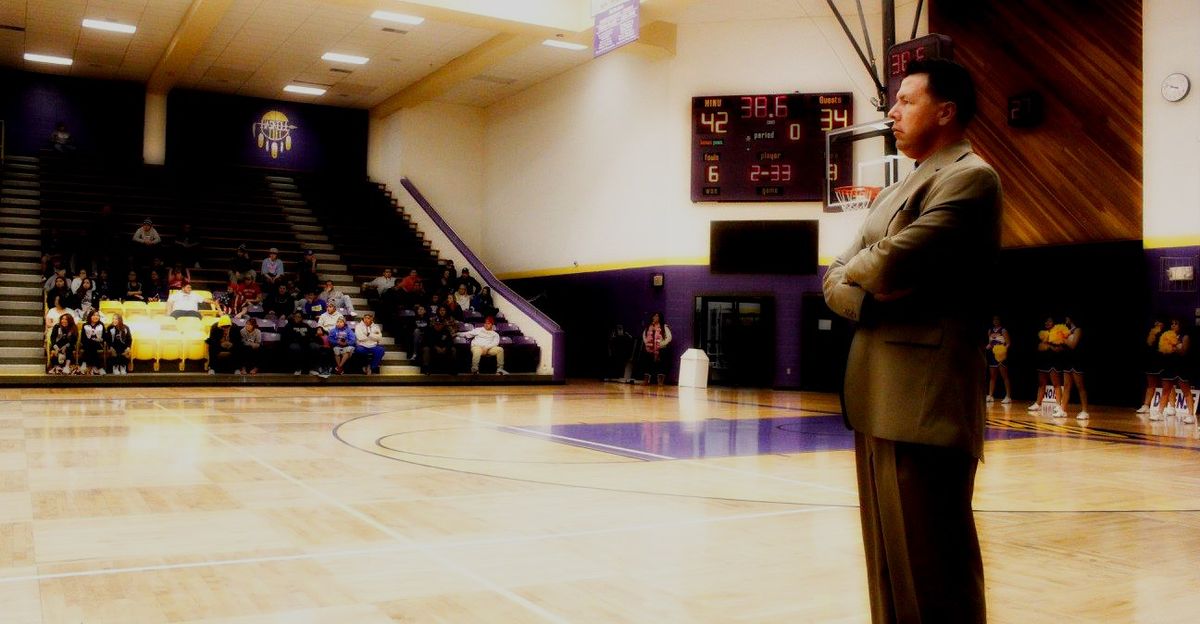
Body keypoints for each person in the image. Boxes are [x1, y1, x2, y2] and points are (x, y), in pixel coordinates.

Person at [821, 59, 998, 623]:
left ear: (945, 112)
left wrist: (863, 274)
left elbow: (891, 265)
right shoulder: (895, 191)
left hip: (925, 403)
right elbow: (835, 277)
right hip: (878, 398)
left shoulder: (970, 178)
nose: (892, 112)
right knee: (890, 573)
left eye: (906, 100)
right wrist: (863, 284)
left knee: (934, 572)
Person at [1156, 318, 1196, 424]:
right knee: (1166, 390)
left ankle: (1191, 415)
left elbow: (1183, 351)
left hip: (1181, 366)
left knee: (1185, 390)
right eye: (1172, 324)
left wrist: (1174, 346)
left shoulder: (1185, 337)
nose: (1173, 325)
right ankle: (1160, 413)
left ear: (1181, 326)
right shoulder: (1167, 335)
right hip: (1169, 366)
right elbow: (1163, 351)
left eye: (1176, 324)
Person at [1028, 317, 1066, 416]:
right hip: (1043, 361)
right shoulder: (1042, 334)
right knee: (1041, 384)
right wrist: (1045, 344)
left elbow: (1060, 349)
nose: (1047, 323)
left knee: (1056, 384)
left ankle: (1058, 405)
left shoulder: (1058, 333)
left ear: (1054, 323)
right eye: (1046, 321)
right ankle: (1038, 403)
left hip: (1054, 361)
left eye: (1049, 321)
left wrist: (1049, 345)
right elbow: (1039, 347)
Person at [1057, 315, 1090, 420]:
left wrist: (1062, 337)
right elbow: (1065, 345)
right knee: (1066, 386)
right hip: (1067, 360)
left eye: (1067, 317)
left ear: (1071, 318)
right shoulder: (1067, 330)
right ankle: (1063, 410)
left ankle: (1085, 411)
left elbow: (1073, 344)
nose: (1065, 319)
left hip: (1077, 361)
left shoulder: (1078, 330)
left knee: (1080, 386)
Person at [1138, 318, 1167, 415]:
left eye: (1159, 322)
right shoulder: (1150, 333)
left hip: (1162, 362)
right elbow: (1148, 345)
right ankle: (1146, 405)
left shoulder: (1166, 334)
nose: (1157, 324)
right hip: (1151, 361)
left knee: (1167, 386)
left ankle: (1171, 406)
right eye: (1156, 322)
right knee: (1150, 385)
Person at [984, 316, 1012, 404]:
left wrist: (1003, 351)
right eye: (994, 319)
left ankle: (1008, 396)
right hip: (992, 355)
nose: (995, 321)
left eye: (997, 319)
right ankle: (990, 395)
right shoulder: (990, 330)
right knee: (992, 376)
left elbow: (1008, 343)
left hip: (1000, 355)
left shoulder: (1003, 330)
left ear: (1000, 321)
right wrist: (987, 347)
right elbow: (990, 343)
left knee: (1004, 376)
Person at [281, 311, 319, 375]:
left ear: (302, 318)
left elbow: (311, 335)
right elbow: (285, 337)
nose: (297, 318)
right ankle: (298, 368)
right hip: (294, 342)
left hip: (305, 342)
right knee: (296, 348)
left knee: (314, 346)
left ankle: (312, 369)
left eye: (299, 317)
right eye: (295, 317)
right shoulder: (289, 325)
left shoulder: (306, 325)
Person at [641, 312, 672, 385]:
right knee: (647, 364)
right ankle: (646, 381)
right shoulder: (648, 327)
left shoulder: (664, 327)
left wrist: (662, 344)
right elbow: (644, 335)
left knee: (661, 365)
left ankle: (660, 382)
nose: (655, 317)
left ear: (660, 318)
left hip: (661, 350)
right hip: (649, 349)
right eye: (654, 316)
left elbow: (669, 337)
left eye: (657, 316)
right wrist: (647, 343)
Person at [78, 310, 107, 375]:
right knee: (91, 344)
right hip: (87, 344)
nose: (95, 317)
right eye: (94, 315)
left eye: (97, 315)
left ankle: (84, 362)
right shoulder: (85, 325)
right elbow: (83, 338)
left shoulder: (101, 325)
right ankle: (98, 367)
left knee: (92, 344)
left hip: (98, 344)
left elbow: (105, 337)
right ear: (90, 316)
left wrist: (99, 339)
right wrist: (90, 340)